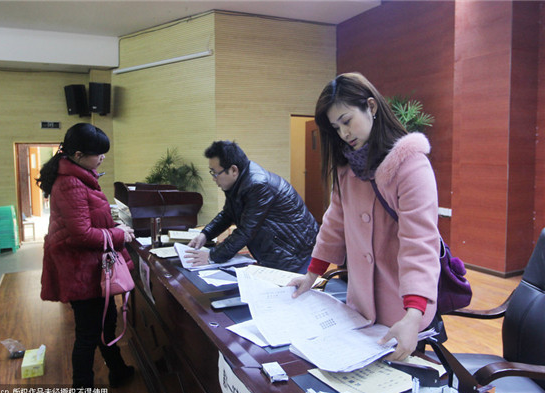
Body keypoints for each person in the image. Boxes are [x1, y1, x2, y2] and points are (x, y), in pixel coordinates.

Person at [288, 73, 441, 361]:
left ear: (371, 107)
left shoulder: (411, 166)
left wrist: (412, 315)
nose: (344, 133)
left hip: (404, 307)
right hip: (359, 305)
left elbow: (419, 245)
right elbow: (334, 223)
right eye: (336, 128)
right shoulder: (347, 169)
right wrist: (311, 275)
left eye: (347, 121)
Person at [37, 123, 135, 393]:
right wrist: (118, 234)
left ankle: (118, 369)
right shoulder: (71, 183)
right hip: (81, 270)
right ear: (78, 154)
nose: (102, 157)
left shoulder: (78, 174)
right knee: (88, 335)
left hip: (87, 267)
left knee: (104, 323)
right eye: (98, 153)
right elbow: (81, 234)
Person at [186, 140, 318, 273]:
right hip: (280, 249)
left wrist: (211, 256)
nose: (214, 178)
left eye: (215, 173)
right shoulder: (238, 182)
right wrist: (205, 234)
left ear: (233, 170)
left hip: (295, 252)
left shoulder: (257, 185)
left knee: (289, 292)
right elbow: (227, 214)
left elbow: (245, 231)